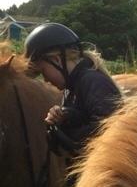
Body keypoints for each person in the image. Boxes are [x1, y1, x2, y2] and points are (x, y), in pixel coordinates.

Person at [24, 23, 122, 161]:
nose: (45, 80)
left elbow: (110, 131)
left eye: (43, 72)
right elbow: (86, 118)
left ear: (56, 60)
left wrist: (64, 131)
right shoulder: (72, 87)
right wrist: (64, 117)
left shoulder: (93, 81)